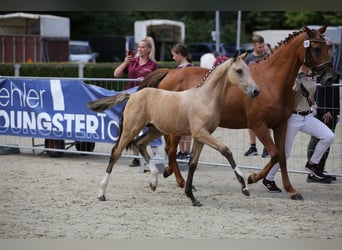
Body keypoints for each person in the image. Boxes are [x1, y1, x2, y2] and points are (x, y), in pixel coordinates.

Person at [262, 64, 336, 192]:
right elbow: (286, 95)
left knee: (328, 136)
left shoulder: (314, 75)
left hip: (307, 116)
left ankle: (312, 164)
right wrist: (297, 80)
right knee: (285, 152)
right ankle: (268, 178)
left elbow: (312, 94)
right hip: (292, 118)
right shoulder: (293, 76)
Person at [113, 36, 161, 167]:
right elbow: (116, 74)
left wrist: (145, 80)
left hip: (146, 100)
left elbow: (158, 82)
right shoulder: (132, 62)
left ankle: (155, 155)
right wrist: (124, 63)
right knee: (131, 127)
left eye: (143, 47)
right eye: (138, 47)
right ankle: (136, 158)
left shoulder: (153, 65)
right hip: (131, 98)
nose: (140, 49)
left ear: (149, 50)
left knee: (149, 127)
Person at [306, 37, 340, 183]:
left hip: (332, 110)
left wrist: (333, 111)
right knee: (317, 141)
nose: (330, 49)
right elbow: (318, 91)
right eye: (327, 46)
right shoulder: (318, 66)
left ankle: (320, 170)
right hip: (324, 111)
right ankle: (313, 173)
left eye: (330, 46)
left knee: (326, 142)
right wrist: (325, 110)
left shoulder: (330, 64)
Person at [243, 34, 270, 158]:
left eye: (263, 46)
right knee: (251, 121)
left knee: (266, 121)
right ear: (254, 46)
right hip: (252, 93)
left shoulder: (267, 57)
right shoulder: (248, 58)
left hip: (265, 93)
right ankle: (253, 147)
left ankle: (267, 147)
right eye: (260, 46)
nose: (262, 48)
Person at [170, 42, 193, 159]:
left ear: (179, 54)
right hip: (178, 101)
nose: (173, 58)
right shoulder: (178, 68)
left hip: (187, 101)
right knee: (179, 128)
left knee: (187, 129)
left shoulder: (189, 68)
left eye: (174, 55)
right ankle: (181, 150)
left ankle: (187, 151)